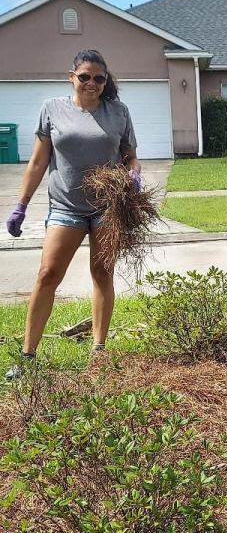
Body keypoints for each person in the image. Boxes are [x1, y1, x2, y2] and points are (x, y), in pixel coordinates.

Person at [4, 49, 141, 380]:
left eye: (99, 78)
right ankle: (27, 356)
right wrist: (21, 205)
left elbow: (130, 157)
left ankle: (98, 351)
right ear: (72, 77)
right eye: (84, 77)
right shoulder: (52, 109)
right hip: (65, 206)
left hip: (107, 207)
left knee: (102, 273)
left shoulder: (118, 112)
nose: (91, 83)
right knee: (47, 274)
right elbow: (39, 161)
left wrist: (134, 175)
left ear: (105, 81)